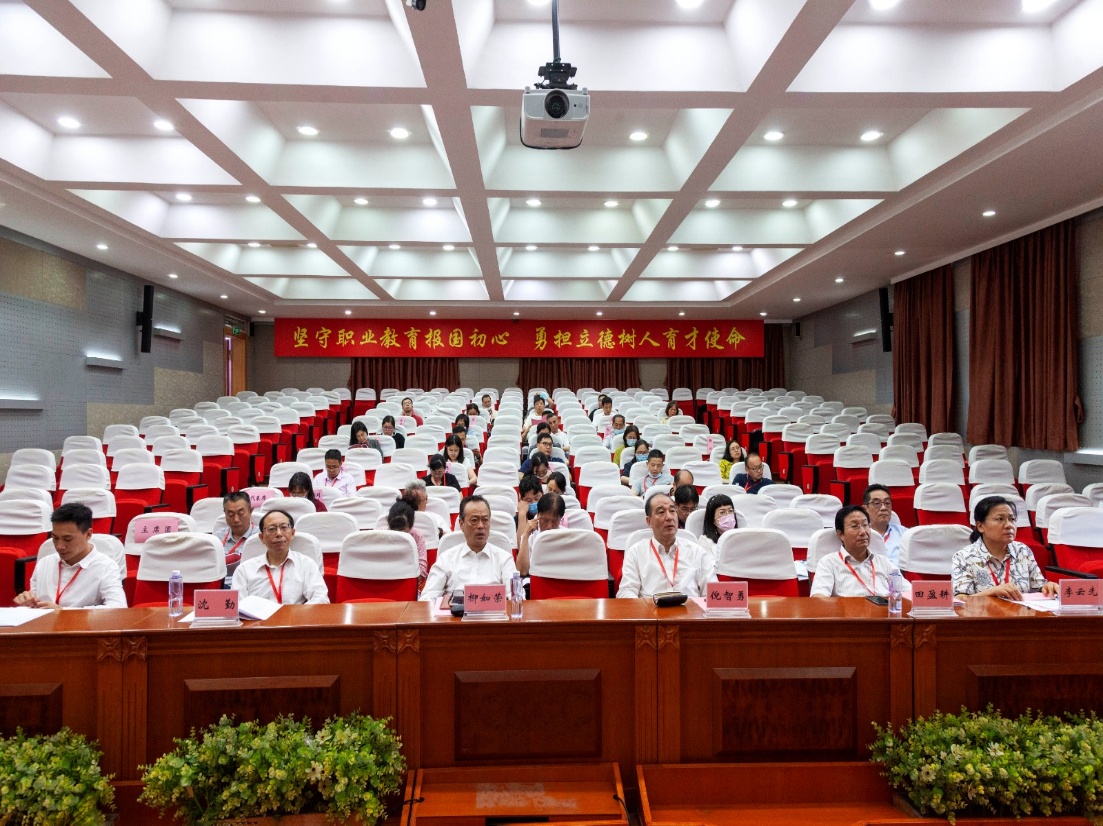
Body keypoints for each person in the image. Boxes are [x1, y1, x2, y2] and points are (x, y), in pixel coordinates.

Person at [14, 503, 127, 609]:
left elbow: (119, 607)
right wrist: (29, 602)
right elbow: (35, 603)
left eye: (67, 539)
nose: (59, 546)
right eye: (55, 538)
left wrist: (64, 612)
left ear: (88, 534)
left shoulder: (106, 567)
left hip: (80, 623)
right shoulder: (45, 563)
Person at [951, 496, 1058, 599]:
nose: (1009, 525)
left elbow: (1038, 587)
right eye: (1000, 519)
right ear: (980, 526)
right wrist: (992, 592)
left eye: (1012, 519)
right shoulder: (964, 557)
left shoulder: (1023, 551)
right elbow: (960, 599)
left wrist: (1048, 587)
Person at [419, 495, 519, 602]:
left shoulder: (504, 559)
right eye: (474, 520)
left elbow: (516, 597)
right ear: (461, 524)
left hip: (493, 612)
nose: (481, 526)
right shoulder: (446, 558)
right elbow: (427, 598)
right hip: (455, 612)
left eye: (485, 520)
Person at [617, 492, 714, 599]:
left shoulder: (696, 551)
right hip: (650, 608)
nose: (669, 517)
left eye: (672, 511)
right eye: (661, 512)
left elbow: (713, 592)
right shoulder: (636, 552)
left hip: (690, 608)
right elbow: (626, 592)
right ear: (649, 521)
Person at [231, 509, 329, 604]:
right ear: (262, 537)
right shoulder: (244, 570)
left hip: (295, 614)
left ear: (292, 533)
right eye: (272, 529)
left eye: (284, 527)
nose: (279, 533)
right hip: (256, 616)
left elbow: (321, 598)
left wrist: (298, 613)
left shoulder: (306, 564)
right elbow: (237, 606)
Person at [811, 505, 892, 598]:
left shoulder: (883, 562)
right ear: (841, 534)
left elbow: (905, 591)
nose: (863, 532)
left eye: (865, 525)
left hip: (884, 607)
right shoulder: (829, 563)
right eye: (855, 526)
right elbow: (818, 597)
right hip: (846, 607)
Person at [516, 491, 566, 576]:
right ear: (538, 515)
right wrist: (525, 536)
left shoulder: (567, 537)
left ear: (561, 518)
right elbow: (522, 571)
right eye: (545, 520)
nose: (549, 526)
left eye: (554, 521)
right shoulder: (530, 536)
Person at [388, 495, 428, 580]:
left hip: (409, 580)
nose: (399, 537)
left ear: (411, 526)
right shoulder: (380, 535)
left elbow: (422, 572)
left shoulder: (417, 536)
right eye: (395, 532)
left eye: (403, 533)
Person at [863, 484, 904, 567]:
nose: (883, 508)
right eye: (876, 503)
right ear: (865, 509)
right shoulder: (860, 535)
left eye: (887, 503)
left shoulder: (904, 533)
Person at [697, 494, 737, 558]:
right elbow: (709, 563)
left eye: (730, 511)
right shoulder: (705, 541)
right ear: (712, 518)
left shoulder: (740, 537)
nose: (728, 516)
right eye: (722, 512)